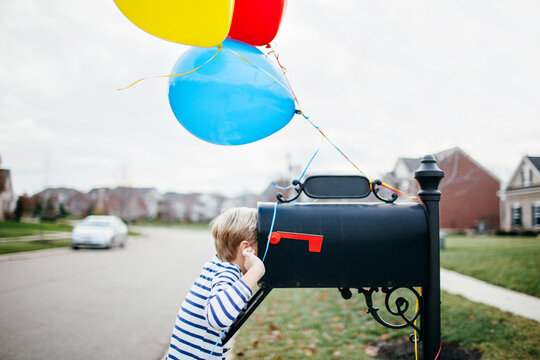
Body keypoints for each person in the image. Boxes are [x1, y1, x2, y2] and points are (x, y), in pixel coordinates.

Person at [166, 207, 265, 360]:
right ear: (246, 249)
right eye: (262, 244)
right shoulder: (227, 273)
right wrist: (255, 271)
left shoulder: (217, 266)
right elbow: (218, 317)